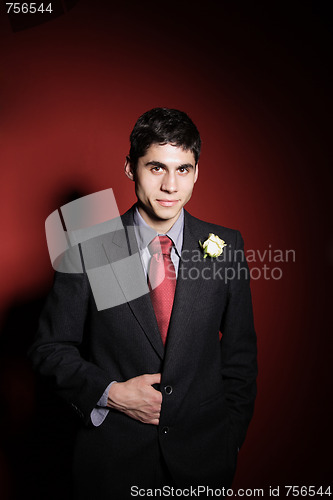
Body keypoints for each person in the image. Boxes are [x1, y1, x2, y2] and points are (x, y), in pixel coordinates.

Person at [28, 108, 257, 498]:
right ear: (130, 168)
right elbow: (49, 349)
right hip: (111, 468)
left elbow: (240, 357)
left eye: (183, 169)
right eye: (156, 168)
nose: (170, 185)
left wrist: (228, 444)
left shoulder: (225, 247)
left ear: (197, 172)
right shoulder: (88, 249)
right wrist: (111, 393)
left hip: (203, 466)